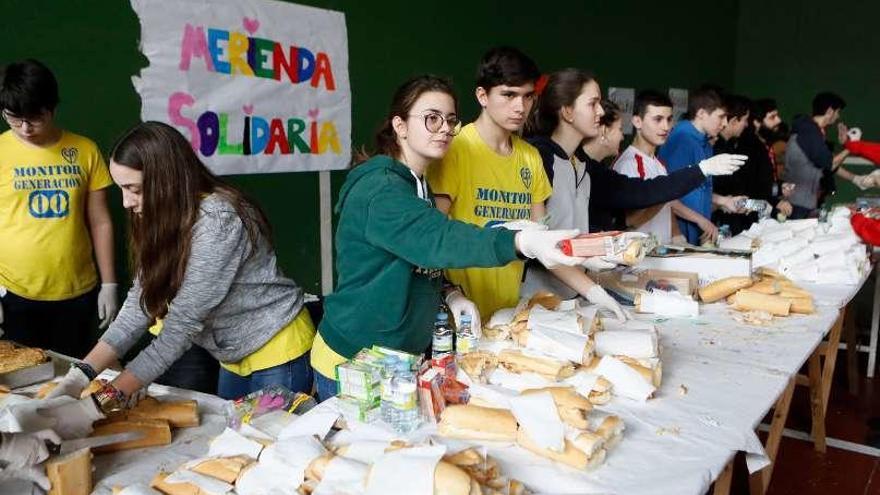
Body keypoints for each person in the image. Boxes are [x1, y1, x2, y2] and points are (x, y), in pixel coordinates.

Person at [310, 75, 585, 401]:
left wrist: (450, 292)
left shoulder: (417, 184)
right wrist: (517, 242)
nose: (443, 128)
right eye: (431, 118)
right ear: (400, 126)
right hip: (354, 359)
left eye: (451, 120)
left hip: (397, 358)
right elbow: (437, 239)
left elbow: (411, 253)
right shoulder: (381, 189)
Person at [47, 121, 317, 405]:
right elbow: (140, 305)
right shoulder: (160, 215)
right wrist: (78, 377)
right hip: (232, 354)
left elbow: (181, 325)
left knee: (265, 444)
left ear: (167, 179)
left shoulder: (216, 220)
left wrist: (101, 400)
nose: (126, 202)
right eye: (122, 189)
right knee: (234, 437)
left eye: (134, 189)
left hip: (277, 350)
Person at [0, 59, 118, 358]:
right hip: (14, 292)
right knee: (20, 382)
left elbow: (101, 221)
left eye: (35, 118)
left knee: (71, 381)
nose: (25, 128)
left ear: (52, 108)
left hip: (77, 292)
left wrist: (110, 283)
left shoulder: (85, 150)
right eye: (14, 119)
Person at [427, 47, 551, 321]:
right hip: (455, 318)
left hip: (507, 314)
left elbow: (543, 240)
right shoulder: (456, 147)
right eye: (509, 94)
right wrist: (450, 293)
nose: (520, 107)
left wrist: (591, 287)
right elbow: (429, 238)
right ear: (482, 95)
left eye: (528, 96)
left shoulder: (530, 157)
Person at [611, 90, 718, 244]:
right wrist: (665, 193)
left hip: (662, 253)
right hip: (640, 260)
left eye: (669, 119)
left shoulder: (657, 162)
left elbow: (667, 205)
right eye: (658, 119)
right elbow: (631, 220)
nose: (666, 126)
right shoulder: (629, 164)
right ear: (637, 121)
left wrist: (677, 236)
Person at [659, 88, 747, 244]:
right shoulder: (682, 138)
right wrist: (701, 220)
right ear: (701, 113)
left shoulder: (705, 142)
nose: (725, 123)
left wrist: (724, 201)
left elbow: (697, 188)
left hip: (698, 231)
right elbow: (667, 194)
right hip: (678, 233)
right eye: (721, 117)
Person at [785, 91, 871, 215]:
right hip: (799, 203)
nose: (838, 117)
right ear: (830, 111)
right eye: (837, 112)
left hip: (806, 200)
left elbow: (825, 161)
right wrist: (852, 145)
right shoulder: (809, 132)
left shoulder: (812, 131)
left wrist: (855, 178)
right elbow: (829, 164)